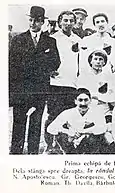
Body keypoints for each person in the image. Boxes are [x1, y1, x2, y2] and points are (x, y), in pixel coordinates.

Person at [9, 6, 60, 154]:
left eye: (37, 21)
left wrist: (40, 68)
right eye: (31, 20)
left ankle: (33, 152)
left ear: (42, 22)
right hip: (21, 88)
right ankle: (16, 152)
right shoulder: (18, 39)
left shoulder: (50, 41)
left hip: (40, 88)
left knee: (36, 122)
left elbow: (56, 62)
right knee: (19, 121)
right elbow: (12, 64)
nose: (33, 24)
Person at [45, 10, 81, 152]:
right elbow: (45, 59)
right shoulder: (52, 38)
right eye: (65, 20)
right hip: (56, 83)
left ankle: (64, 146)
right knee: (53, 115)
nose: (68, 23)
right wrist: (49, 71)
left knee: (68, 116)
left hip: (72, 83)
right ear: (59, 22)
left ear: (75, 22)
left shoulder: (78, 39)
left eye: (71, 20)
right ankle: (49, 146)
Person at [47, 88, 113, 154]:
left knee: (96, 137)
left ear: (90, 101)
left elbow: (103, 128)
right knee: (62, 136)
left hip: (87, 143)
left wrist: (84, 132)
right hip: (71, 142)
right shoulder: (68, 113)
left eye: (86, 100)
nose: (83, 103)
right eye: (80, 100)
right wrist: (68, 132)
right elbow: (50, 128)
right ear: (75, 101)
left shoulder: (96, 113)